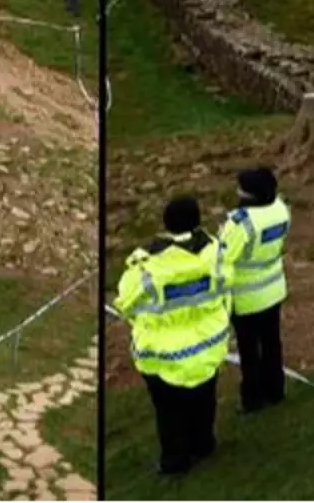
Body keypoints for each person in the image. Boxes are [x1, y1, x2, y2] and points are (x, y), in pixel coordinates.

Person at [113, 196, 230, 475]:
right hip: (207, 344)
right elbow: (228, 282)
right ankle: (203, 445)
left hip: (163, 355)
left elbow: (125, 302)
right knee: (204, 398)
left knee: (168, 410)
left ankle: (175, 461)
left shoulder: (147, 268)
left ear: (166, 224)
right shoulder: (216, 254)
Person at [215, 167, 291, 414]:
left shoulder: (241, 223)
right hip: (273, 287)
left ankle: (253, 399)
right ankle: (276, 390)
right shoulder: (281, 209)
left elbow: (223, 259)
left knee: (249, 351)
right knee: (272, 342)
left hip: (246, 297)